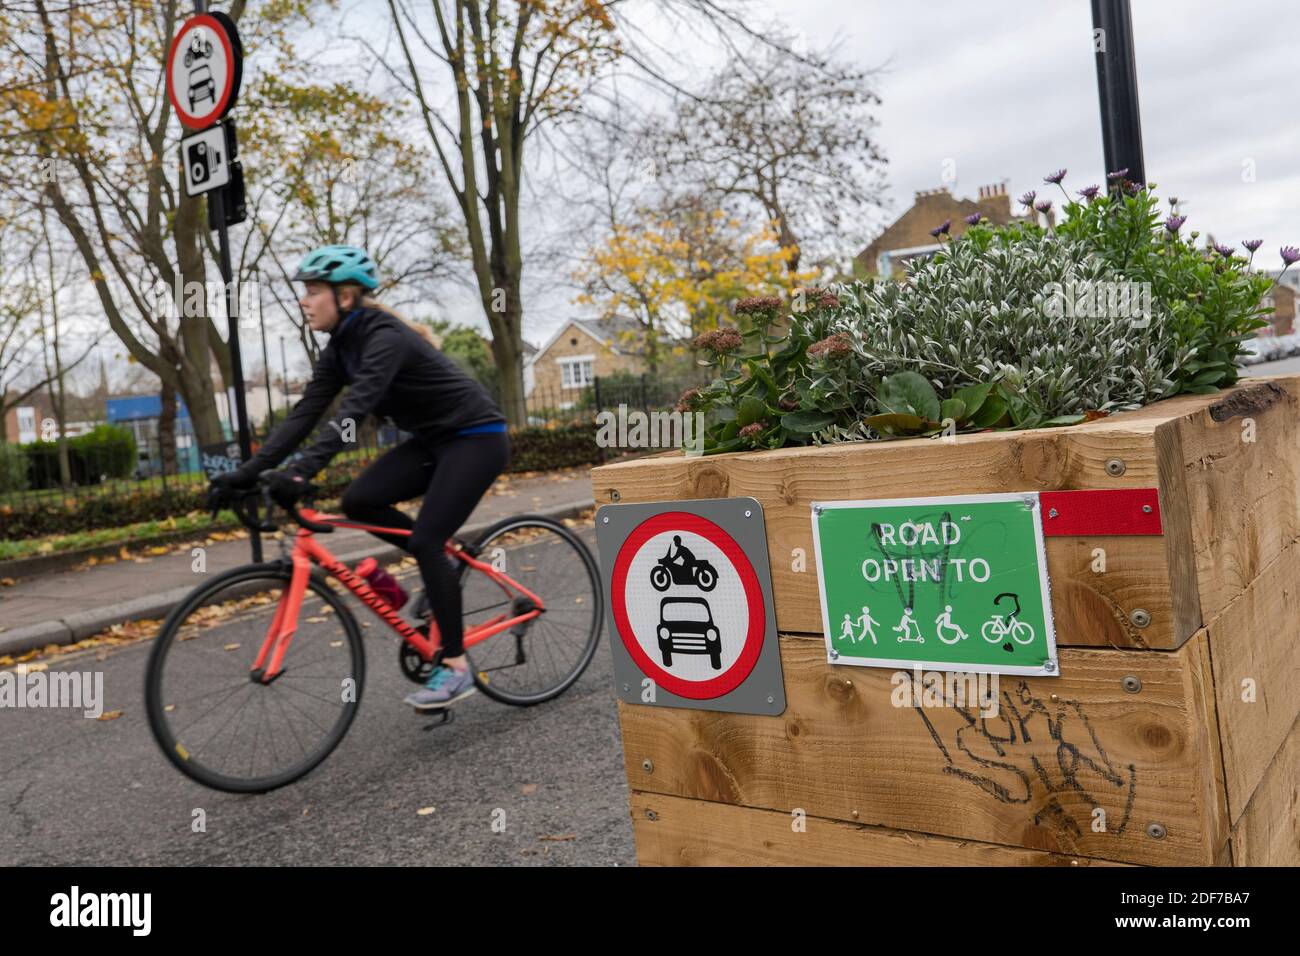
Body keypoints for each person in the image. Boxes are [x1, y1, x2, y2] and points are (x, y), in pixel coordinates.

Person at [208, 244, 509, 711]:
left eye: (313, 291)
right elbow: (304, 415)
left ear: (345, 296)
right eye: (304, 292)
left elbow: (354, 411)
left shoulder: (382, 338)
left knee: (428, 540)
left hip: (477, 438)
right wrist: (244, 473)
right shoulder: (339, 349)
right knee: (360, 501)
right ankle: (444, 568)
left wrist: (303, 470)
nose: (304, 301)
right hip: (433, 442)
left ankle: (455, 666)